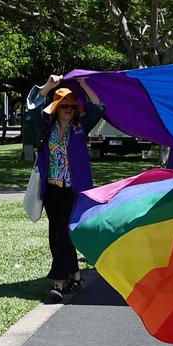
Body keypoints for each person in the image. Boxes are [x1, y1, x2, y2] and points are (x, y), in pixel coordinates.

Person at [27, 75, 104, 303]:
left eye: (72, 105)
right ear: (57, 108)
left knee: (62, 233)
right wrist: (50, 86)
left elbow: (99, 107)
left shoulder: (81, 127)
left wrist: (84, 85)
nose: (69, 109)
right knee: (58, 234)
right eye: (64, 106)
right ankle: (76, 275)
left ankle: (58, 283)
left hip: (74, 189)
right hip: (51, 188)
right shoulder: (46, 126)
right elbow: (33, 103)